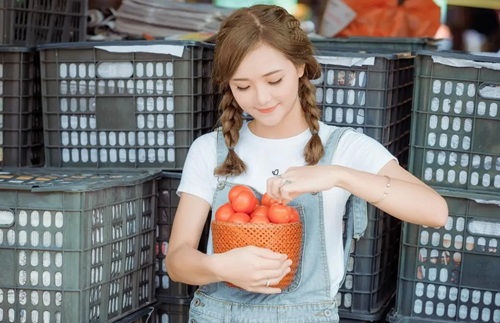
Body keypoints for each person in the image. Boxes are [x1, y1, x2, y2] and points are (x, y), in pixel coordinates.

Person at [165, 4, 448, 322]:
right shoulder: (210, 149)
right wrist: (219, 266)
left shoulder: (343, 148)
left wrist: (338, 176)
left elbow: (434, 211)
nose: (261, 98)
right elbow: (177, 262)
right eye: (242, 86)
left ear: (300, 65)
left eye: (274, 80)